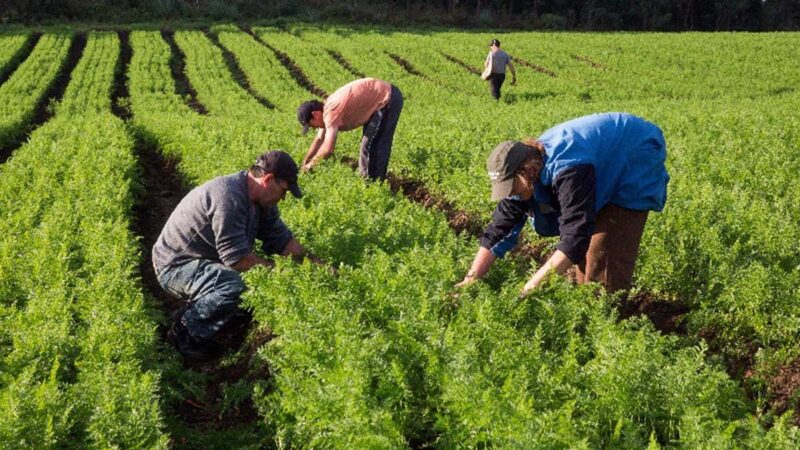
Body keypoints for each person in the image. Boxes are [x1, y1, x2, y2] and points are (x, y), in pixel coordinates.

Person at [456, 112, 670, 296]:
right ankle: (586, 312)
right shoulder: (526, 174)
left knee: (603, 257)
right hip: (600, 162)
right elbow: (499, 230)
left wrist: (528, 290)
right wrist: (470, 279)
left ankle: (605, 323)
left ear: (528, 171)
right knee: (584, 261)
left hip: (633, 156)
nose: (511, 195)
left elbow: (575, 237)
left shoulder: (569, 169)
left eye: (512, 188)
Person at [153, 150, 319, 360]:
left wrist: (316, 264)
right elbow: (237, 260)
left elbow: (283, 241)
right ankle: (185, 332)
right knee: (232, 285)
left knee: (245, 293)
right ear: (268, 180)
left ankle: (210, 319)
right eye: (284, 190)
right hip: (175, 266)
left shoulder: (262, 202)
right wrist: (282, 273)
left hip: (205, 260)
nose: (283, 198)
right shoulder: (228, 196)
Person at [297, 77, 403, 181]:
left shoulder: (331, 111)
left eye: (312, 125)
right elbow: (319, 139)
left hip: (388, 98)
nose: (314, 128)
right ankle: (369, 180)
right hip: (380, 97)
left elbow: (328, 149)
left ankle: (372, 184)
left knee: (372, 143)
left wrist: (310, 166)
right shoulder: (326, 109)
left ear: (315, 114)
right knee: (368, 142)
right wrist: (305, 162)